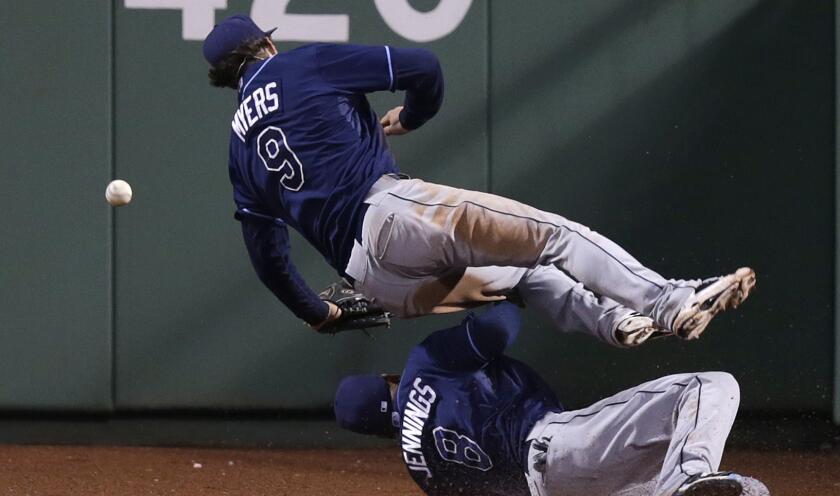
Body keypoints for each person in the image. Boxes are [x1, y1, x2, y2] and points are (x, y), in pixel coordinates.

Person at [203, 15, 755, 343]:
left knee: (522, 277)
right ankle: (667, 300)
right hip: (395, 215)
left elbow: (268, 257)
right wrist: (414, 116)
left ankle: (616, 323)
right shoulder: (301, 66)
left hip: (374, 280)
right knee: (553, 238)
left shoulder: (238, 149)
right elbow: (424, 68)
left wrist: (319, 314)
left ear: (227, 78)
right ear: (266, 44)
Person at [333, 302, 770, 496]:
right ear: (387, 378)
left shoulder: (422, 470)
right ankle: (684, 480)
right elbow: (501, 325)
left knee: (751, 495)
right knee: (708, 386)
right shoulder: (421, 367)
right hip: (555, 448)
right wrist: (504, 283)